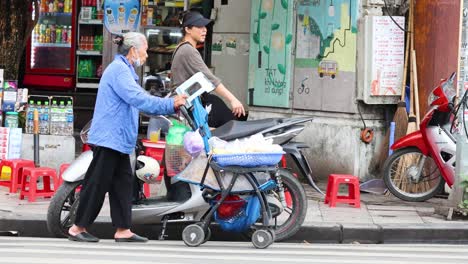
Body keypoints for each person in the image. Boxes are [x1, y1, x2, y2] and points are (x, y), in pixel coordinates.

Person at [68, 32, 187, 243]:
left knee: (123, 184)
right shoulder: (119, 71)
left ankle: (123, 229)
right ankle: (78, 227)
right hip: (110, 138)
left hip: (119, 139)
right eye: (145, 50)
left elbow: (138, 100)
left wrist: (166, 104)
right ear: (133, 50)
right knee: (97, 184)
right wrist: (169, 104)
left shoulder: (125, 69)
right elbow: (138, 99)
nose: (147, 54)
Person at [170, 10, 245, 126]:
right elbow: (209, 78)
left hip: (185, 105)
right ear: (187, 29)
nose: (204, 30)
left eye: (205, 26)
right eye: (199, 26)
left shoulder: (182, 47)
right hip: (185, 107)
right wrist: (233, 99)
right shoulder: (188, 50)